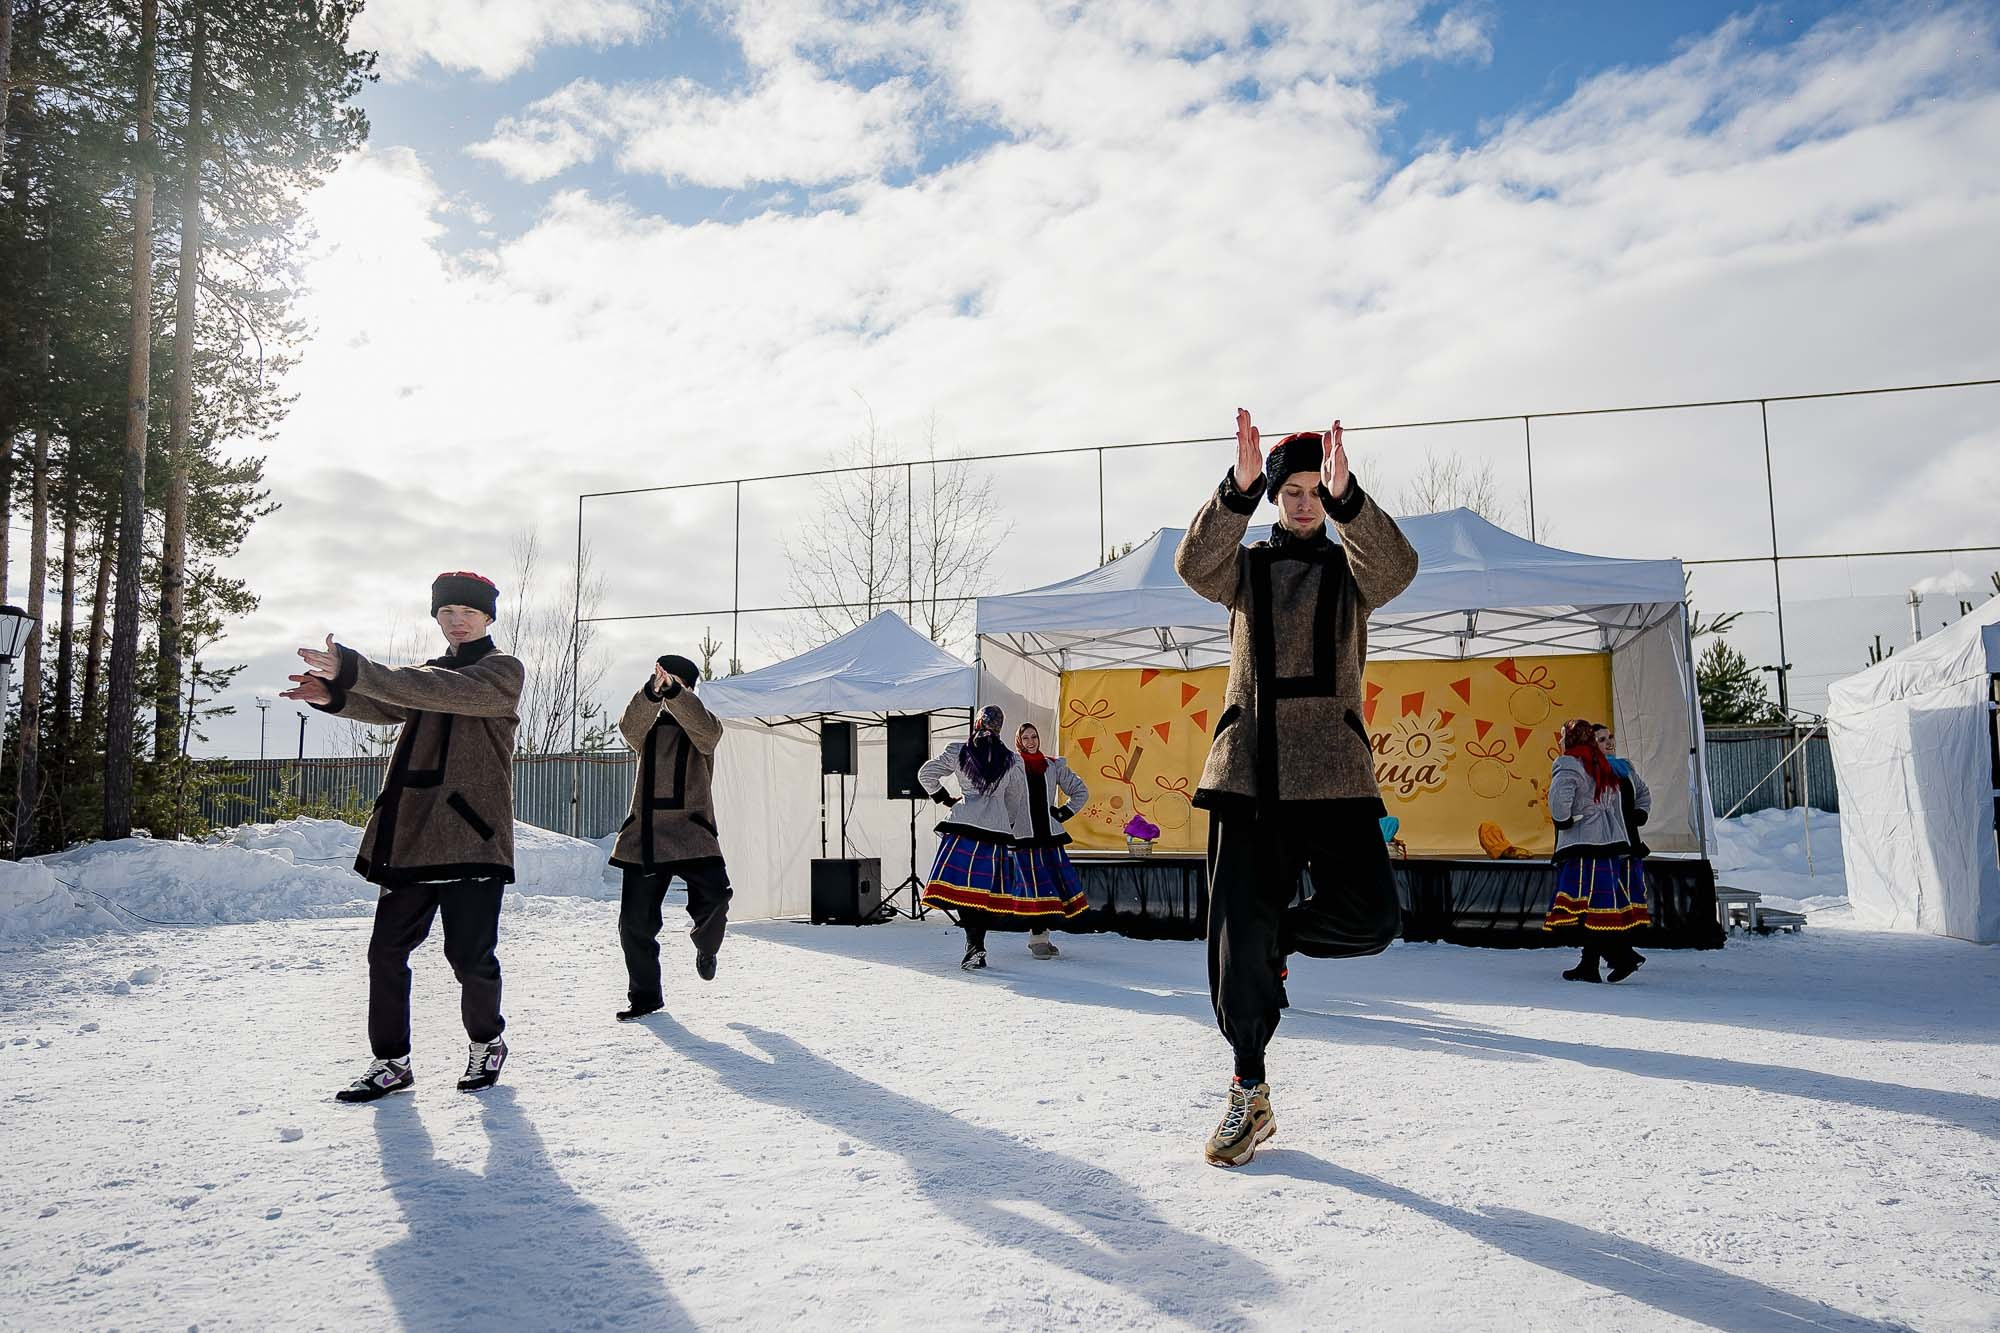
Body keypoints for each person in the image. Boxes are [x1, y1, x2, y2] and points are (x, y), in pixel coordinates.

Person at [1175, 410, 1419, 1167]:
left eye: (1318, 491)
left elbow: (1398, 568)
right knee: (1232, 942)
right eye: (1296, 491)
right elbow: (1193, 565)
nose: (1307, 502)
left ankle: (1278, 937)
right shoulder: (1244, 569)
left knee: (1374, 916)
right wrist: (1236, 490)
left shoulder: (1352, 573)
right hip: (1248, 771)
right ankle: (1249, 1089)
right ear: (1278, 497)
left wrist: (1355, 500)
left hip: (1334, 774)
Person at [282, 571, 525, 1103]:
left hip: (471, 837)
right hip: (413, 837)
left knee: (469, 957)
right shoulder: (427, 673)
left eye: (467, 612)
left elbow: (435, 691)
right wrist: (332, 695)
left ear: (488, 618)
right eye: (445, 613)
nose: (456, 621)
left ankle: (487, 1042)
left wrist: (355, 668)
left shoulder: (501, 671)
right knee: (386, 952)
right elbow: (392, 704)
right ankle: (391, 1062)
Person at [609, 654, 731, 1021]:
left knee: (717, 897)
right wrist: (651, 693)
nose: (665, 686)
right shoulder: (648, 722)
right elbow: (629, 729)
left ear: (690, 688)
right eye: (661, 679)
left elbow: (707, 736)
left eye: (674, 681)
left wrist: (677, 694)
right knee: (635, 923)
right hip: (645, 834)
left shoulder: (704, 722)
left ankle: (706, 947)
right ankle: (645, 998)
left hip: (692, 831)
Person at [918, 705, 1068, 971]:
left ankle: (973, 944)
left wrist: (947, 799)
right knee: (983, 893)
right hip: (995, 832)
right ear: (1000, 727)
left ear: (977, 723)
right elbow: (1014, 797)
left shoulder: (959, 749)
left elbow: (926, 774)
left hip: (964, 824)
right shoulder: (1012, 759)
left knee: (963, 892)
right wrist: (1005, 820)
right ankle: (976, 945)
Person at [1544, 718, 1650, 982]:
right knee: (1597, 908)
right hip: (1608, 843)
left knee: (1583, 907)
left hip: (1584, 843)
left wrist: (1564, 820)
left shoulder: (1569, 763)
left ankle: (1620, 956)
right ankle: (1593, 963)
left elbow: (1560, 801)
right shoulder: (1600, 763)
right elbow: (1612, 801)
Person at [1011, 722, 1091, 960]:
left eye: (1034, 736)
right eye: (1025, 738)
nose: (1031, 741)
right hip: (1024, 837)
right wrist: (1008, 821)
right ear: (1019, 742)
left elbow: (1080, 790)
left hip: (1048, 837)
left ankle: (1042, 935)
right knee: (1034, 889)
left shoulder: (1052, 766)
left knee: (1049, 887)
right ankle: (1037, 938)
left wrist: (1063, 812)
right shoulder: (1011, 767)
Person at [1593, 723, 1653, 860]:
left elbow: (1643, 792)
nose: (1609, 742)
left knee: (1632, 879)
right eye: (1602, 740)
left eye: (1610, 737)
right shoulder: (1590, 772)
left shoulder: (1625, 767)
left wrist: (1641, 811)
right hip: (1606, 845)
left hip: (1631, 840)